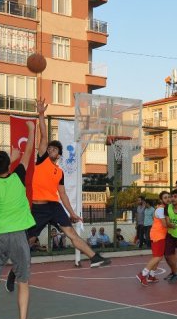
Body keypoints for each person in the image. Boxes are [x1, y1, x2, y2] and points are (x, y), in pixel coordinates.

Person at [17, 97, 110, 291]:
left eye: (54, 149)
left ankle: (94, 258)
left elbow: (63, 195)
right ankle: (17, 266)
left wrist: (72, 213)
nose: (50, 149)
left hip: (55, 206)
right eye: (49, 147)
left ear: (58, 154)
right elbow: (43, 136)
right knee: (31, 240)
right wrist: (41, 114)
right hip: (39, 208)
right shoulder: (41, 160)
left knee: (71, 233)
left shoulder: (59, 172)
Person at [0, 114, 35, 319]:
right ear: (10, 164)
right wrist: (30, 128)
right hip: (18, 235)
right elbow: (28, 152)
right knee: (23, 282)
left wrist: (5, 163)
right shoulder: (19, 178)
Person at [136, 191, 170, 286]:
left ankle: (151, 276)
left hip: (160, 235)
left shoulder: (165, 209)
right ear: (161, 200)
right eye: (165, 197)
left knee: (158, 257)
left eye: (168, 197)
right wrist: (175, 225)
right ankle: (142, 274)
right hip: (157, 236)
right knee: (157, 257)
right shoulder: (160, 210)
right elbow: (164, 224)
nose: (167, 199)